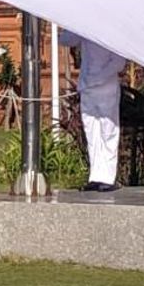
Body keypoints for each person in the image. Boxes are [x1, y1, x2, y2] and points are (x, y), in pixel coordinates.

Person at [60, 29, 126, 192]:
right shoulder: (85, 28)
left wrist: (98, 78)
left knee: (108, 131)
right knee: (92, 132)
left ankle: (108, 177)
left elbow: (118, 63)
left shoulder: (113, 31)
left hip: (105, 88)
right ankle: (96, 176)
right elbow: (66, 40)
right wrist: (75, 22)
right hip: (87, 87)